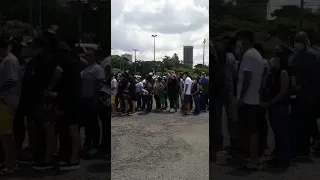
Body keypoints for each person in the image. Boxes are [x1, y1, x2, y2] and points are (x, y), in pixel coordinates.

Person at [236, 29, 265, 169]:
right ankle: (253, 158)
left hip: (248, 100)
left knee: (250, 131)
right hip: (254, 98)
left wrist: (241, 98)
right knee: (253, 130)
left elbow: (247, 79)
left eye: (240, 40)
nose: (238, 43)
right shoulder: (256, 55)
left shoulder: (248, 55)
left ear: (246, 40)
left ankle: (253, 160)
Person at [290, 32, 320, 158]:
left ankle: (305, 148)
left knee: (306, 120)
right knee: (309, 119)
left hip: (306, 93)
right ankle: (313, 142)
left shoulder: (305, 55)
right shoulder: (310, 54)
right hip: (309, 93)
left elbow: (307, 74)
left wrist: (298, 86)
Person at [261, 46, 292, 168]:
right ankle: (278, 157)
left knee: (281, 134)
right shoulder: (273, 72)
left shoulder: (283, 72)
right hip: (274, 106)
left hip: (279, 106)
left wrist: (270, 102)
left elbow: (283, 91)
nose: (272, 59)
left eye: (274, 56)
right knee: (277, 133)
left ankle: (284, 160)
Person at [0, 39, 21, 175]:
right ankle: (8, 161)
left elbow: (12, 80)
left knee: (6, 135)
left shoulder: (9, 60)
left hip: (7, 101)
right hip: (5, 100)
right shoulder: (5, 60)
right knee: (4, 134)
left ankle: (11, 164)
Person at [79, 50, 104, 157]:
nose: (87, 57)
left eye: (89, 56)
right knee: (87, 124)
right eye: (86, 55)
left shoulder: (97, 69)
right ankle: (87, 143)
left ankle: (94, 145)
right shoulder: (85, 69)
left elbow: (99, 87)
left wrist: (95, 100)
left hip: (92, 99)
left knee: (93, 124)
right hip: (84, 99)